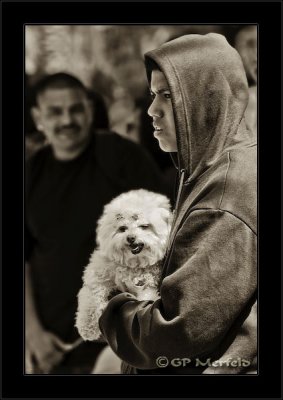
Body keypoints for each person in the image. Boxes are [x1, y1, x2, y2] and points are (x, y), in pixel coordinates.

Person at [99, 33, 257, 374]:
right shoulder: (212, 167)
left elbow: (177, 331)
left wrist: (110, 307)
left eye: (168, 96)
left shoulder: (225, 194)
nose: (152, 110)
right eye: (153, 95)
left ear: (205, 99)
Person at [25, 72, 167, 374]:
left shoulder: (121, 158)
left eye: (76, 109)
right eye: (55, 112)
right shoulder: (30, 173)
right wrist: (32, 333)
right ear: (38, 118)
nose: (67, 120)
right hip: (52, 349)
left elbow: (163, 235)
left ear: (89, 110)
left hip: (121, 344)